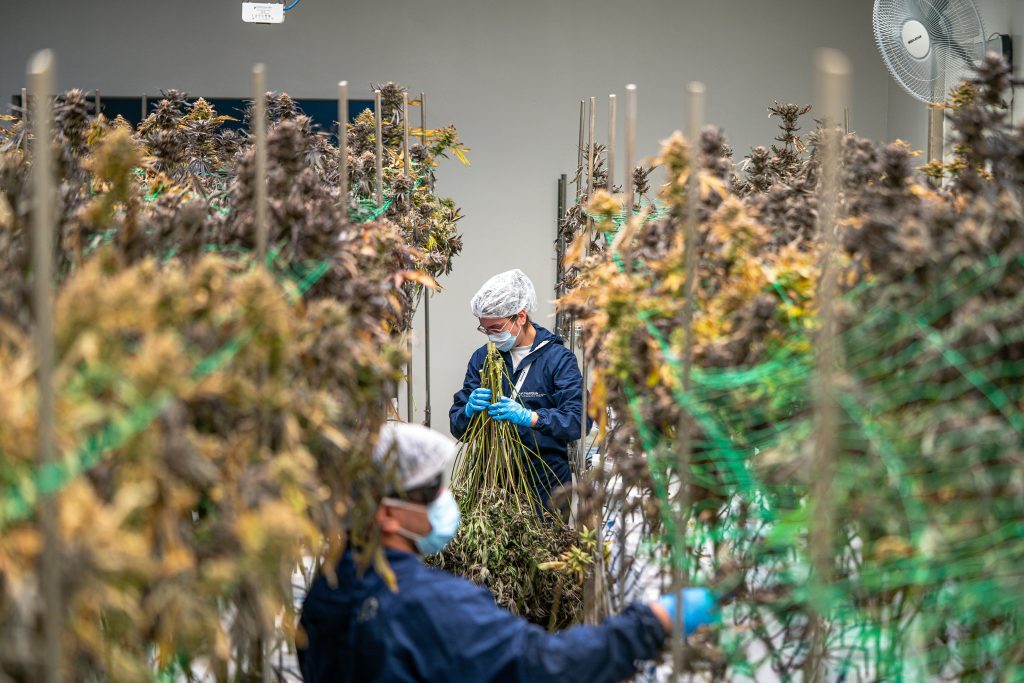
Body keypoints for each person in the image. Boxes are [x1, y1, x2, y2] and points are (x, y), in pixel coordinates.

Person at [297, 422, 717, 683]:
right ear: (387, 515)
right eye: (428, 491)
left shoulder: (327, 592)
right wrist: (652, 622)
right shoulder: (432, 604)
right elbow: (543, 667)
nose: (444, 496)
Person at [450, 269, 589, 512]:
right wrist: (468, 413)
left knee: (544, 546)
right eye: (485, 330)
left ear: (521, 317)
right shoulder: (483, 359)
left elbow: (579, 420)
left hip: (545, 482)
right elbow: (459, 428)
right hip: (493, 480)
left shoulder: (557, 360)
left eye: (496, 328)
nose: (491, 336)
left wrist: (532, 418)